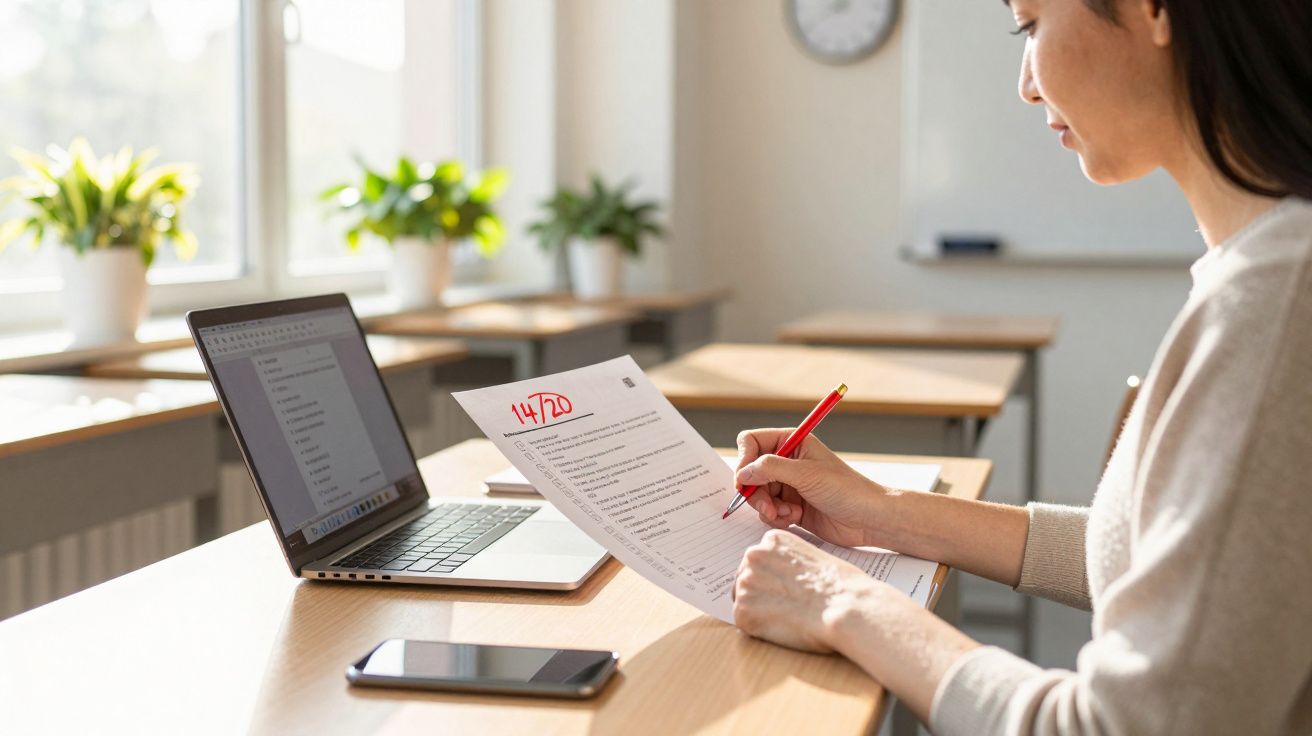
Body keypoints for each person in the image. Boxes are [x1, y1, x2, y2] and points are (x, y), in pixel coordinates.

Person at [729, 0, 1312, 733]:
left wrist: (845, 603)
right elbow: (1143, 553)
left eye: (1031, 24)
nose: (1026, 85)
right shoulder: (1263, 270)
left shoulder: (1281, 302)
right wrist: (879, 511)